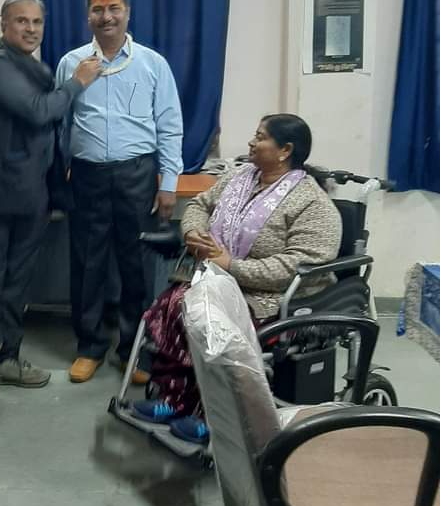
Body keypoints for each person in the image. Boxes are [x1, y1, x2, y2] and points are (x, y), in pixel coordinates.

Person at [135, 113, 342, 442]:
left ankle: (215, 415)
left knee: (213, 324)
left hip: (266, 295)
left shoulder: (311, 202)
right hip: (214, 278)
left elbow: (297, 265)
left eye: (260, 137)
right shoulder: (239, 177)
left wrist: (232, 265)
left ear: (285, 150)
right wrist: (194, 234)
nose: (251, 142)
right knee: (173, 305)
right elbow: (199, 206)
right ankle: (174, 398)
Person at [0, 0, 101, 424]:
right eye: (21, 21)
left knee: (18, 281)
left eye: (37, 22)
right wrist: (77, 83)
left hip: (32, 193)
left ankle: (7, 358)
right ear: (4, 25)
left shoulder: (34, 68)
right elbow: (39, 112)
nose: (31, 29)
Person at [56, 0, 184, 384]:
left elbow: (170, 125)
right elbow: (60, 124)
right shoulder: (71, 63)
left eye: (114, 8)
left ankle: (135, 347)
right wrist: (59, 176)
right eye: (98, 9)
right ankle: (89, 346)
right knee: (87, 262)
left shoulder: (152, 63)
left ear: (127, 12)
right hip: (87, 176)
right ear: (88, 15)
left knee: (137, 264)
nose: (106, 16)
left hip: (137, 174)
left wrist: (169, 183)